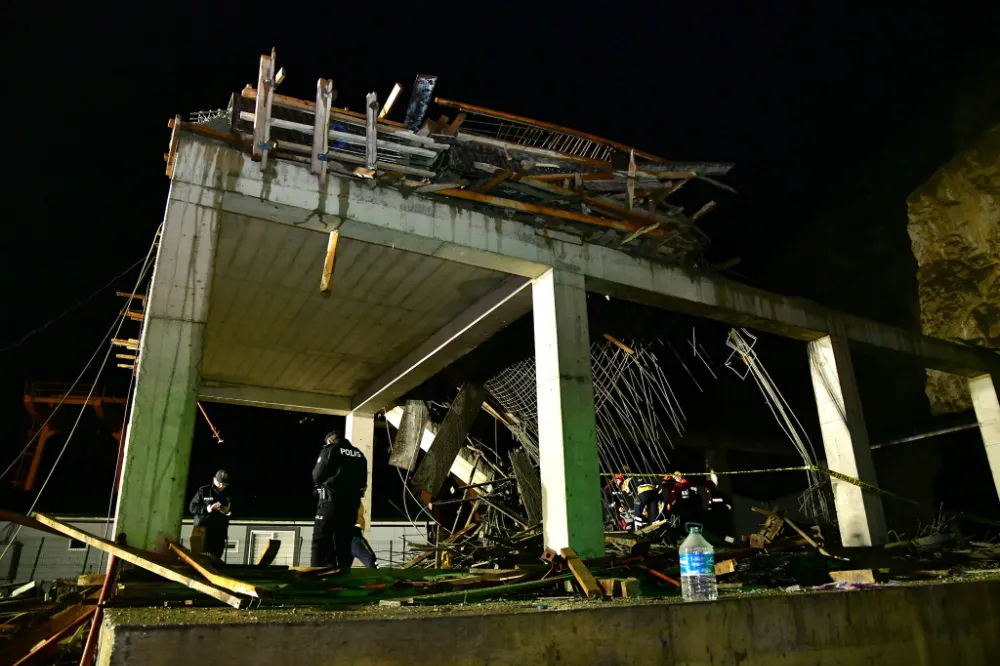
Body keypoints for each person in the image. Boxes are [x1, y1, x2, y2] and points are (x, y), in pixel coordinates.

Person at [311, 430, 368, 572]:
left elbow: (317, 475)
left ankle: (319, 572)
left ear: (329, 441)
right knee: (344, 539)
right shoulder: (359, 454)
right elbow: (363, 482)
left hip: (330, 501)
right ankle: (343, 572)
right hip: (351, 504)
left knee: (321, 537)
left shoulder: (330, 449)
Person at [188, 470, 232, 559]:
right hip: (202, 531)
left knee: (215, 560)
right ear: (214, 479)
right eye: (219, 483)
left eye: (224, 484)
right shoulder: (204, 491)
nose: (222, 486)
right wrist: (208, 509)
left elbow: (235, 511)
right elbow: (192, 508)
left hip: (219, 533)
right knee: (198, 559)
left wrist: (227, 512)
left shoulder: (229, 494)